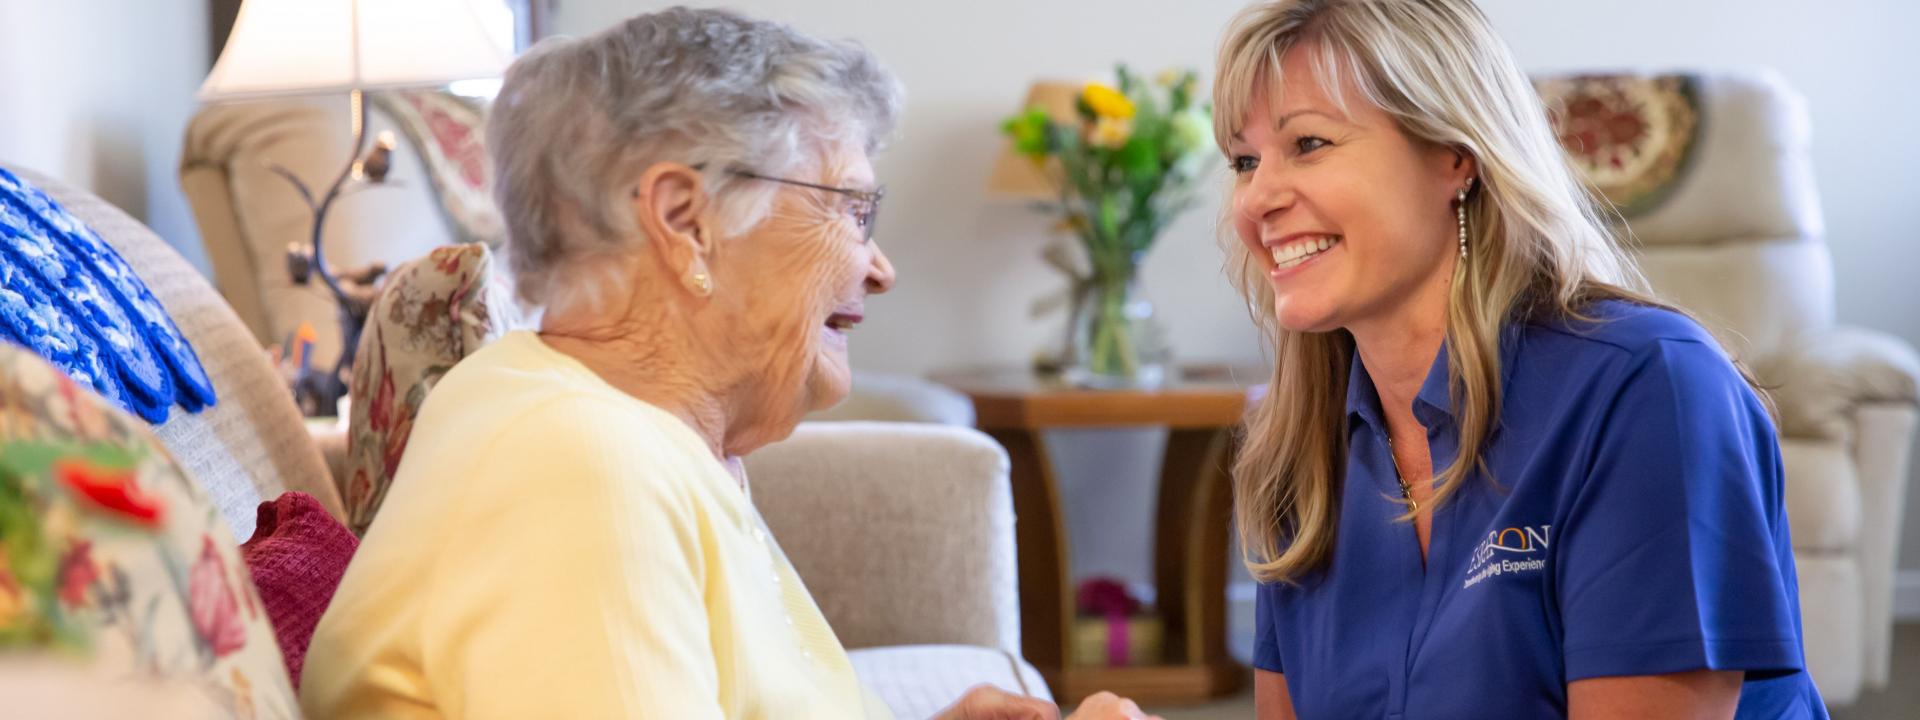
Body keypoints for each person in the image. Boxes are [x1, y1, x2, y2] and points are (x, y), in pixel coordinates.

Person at [300, 8, 1156, 720]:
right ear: (686, 220)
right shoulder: (579, 466)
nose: (880, 266)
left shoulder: (618, 427)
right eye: (851, 209)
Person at [1211, 1, 1827, 718]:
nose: (1257, 198)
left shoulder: (1649, 388)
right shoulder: (1294, 455)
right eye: (1244, 161)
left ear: (1455, 157)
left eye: (1309, 143)